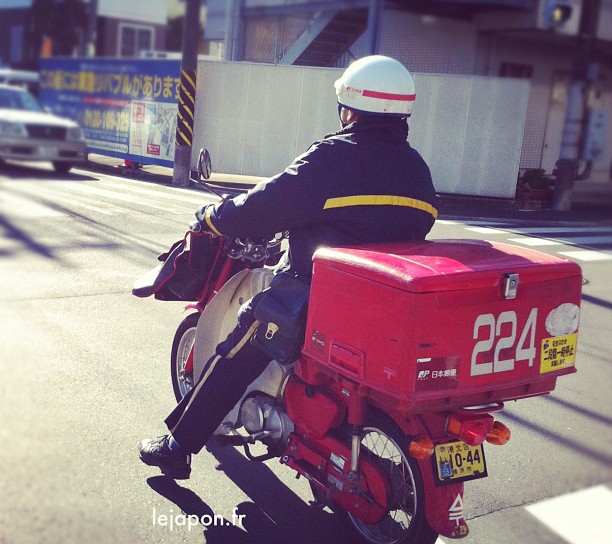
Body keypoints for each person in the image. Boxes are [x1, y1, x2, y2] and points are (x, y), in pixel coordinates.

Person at [139, 55, 439, 479]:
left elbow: (266, 205)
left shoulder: (333, 158)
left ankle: (176, 447)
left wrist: (213, 217)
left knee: (236, 351)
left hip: (317, 298)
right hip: (384, 308)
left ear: (349, 108)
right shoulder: (416, 169)